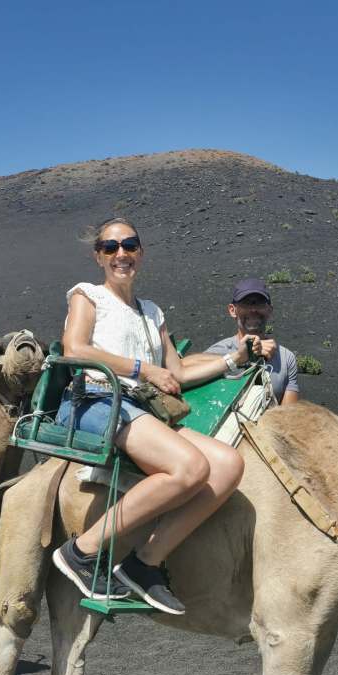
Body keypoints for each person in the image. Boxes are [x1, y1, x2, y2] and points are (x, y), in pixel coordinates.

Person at [52, 217, 256, 614]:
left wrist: (233, 360)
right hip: (97, 400)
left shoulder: (151, 312)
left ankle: (143, 563)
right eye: (110, 247)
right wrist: (143, 369)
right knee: (191, 468)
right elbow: (75, 348)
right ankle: (82, 551)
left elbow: (176, 373)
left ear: (140, 253)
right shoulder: (88, 296)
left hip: (142, 408)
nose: (121, 254)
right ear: (99, 256)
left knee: (229, 464)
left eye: (129, 245)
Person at [191, 278, 300, 405]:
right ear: (233, 310)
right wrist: (238, 356)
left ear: (269, 310)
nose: (253, 310)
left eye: (259, 303)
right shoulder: (222, 349)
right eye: (246, 304)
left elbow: (288, 413)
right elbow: (183, 368)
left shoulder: (286, 358)